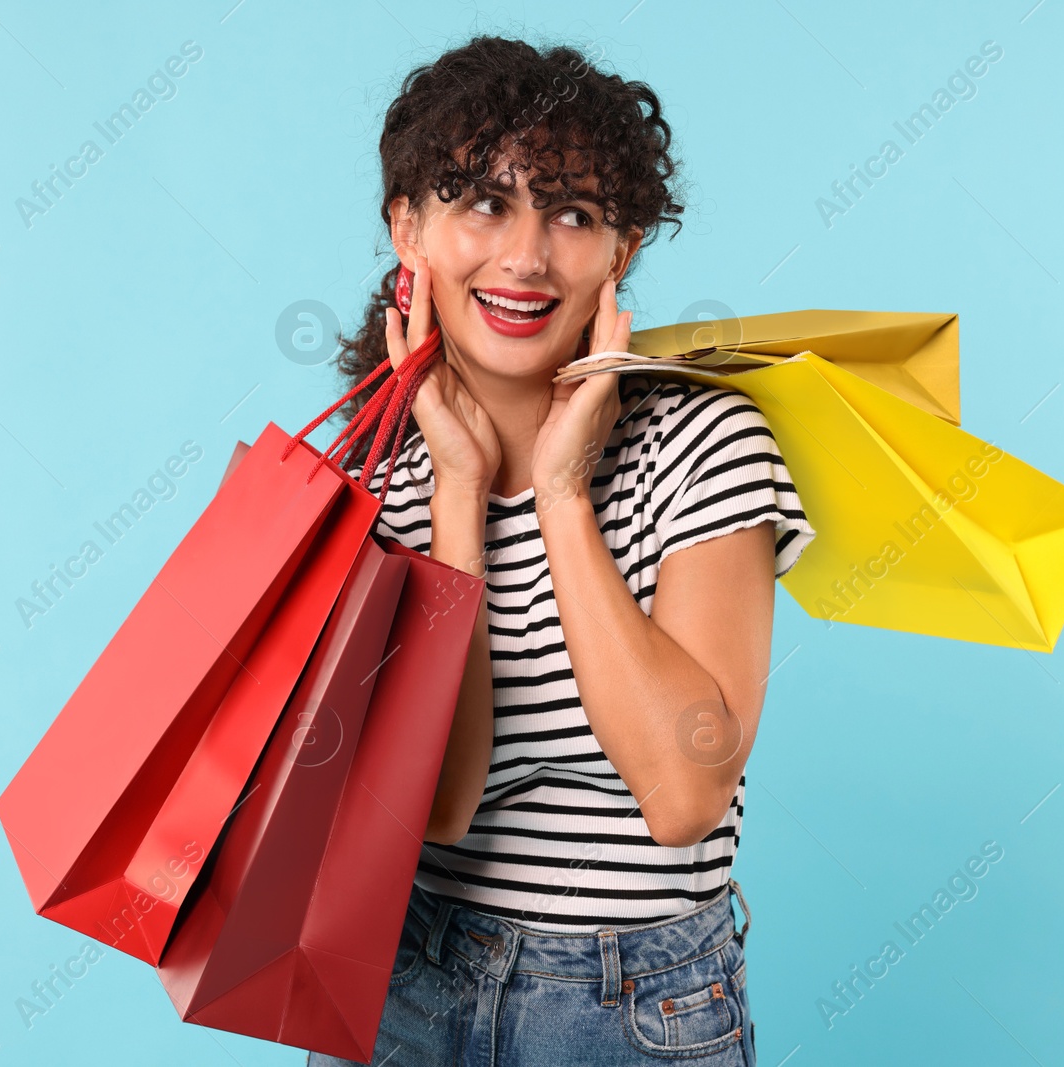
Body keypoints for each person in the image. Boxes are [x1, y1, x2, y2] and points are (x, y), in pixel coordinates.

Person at [312, 35, 814, 1067]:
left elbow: (683, 794)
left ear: (621, 248)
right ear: (408, 226)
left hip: (631, 1003)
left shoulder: (706, 443)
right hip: (399, 976)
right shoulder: (376, 472)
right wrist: (457, 488)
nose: (528, 255)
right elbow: (442, 803)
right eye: (483, 201)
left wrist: (561, 492)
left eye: (573, 213)